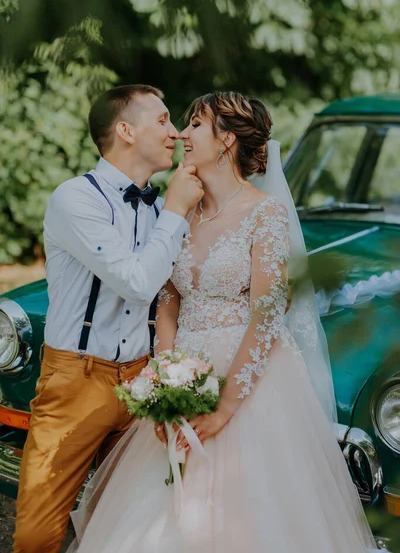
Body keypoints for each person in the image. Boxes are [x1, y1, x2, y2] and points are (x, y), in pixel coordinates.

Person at [68, 92, 379, 552]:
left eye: (195, 124)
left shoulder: (264, 213)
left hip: (251, 381)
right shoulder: (181, 213)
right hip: (185, 370)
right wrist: (167, 384)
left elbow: (267, 314)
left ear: (226, 140)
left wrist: (224, 408)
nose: (183, 134)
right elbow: (168, 303)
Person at [13, 84, 203, 553]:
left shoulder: (160, 206)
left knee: (128, 528)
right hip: (76, 382)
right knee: (36, 536)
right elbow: (137, 281)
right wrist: (176, 211)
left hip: (143, 380)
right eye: (162, 121)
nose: (175, 133)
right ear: (125, 129)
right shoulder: (75, 199)